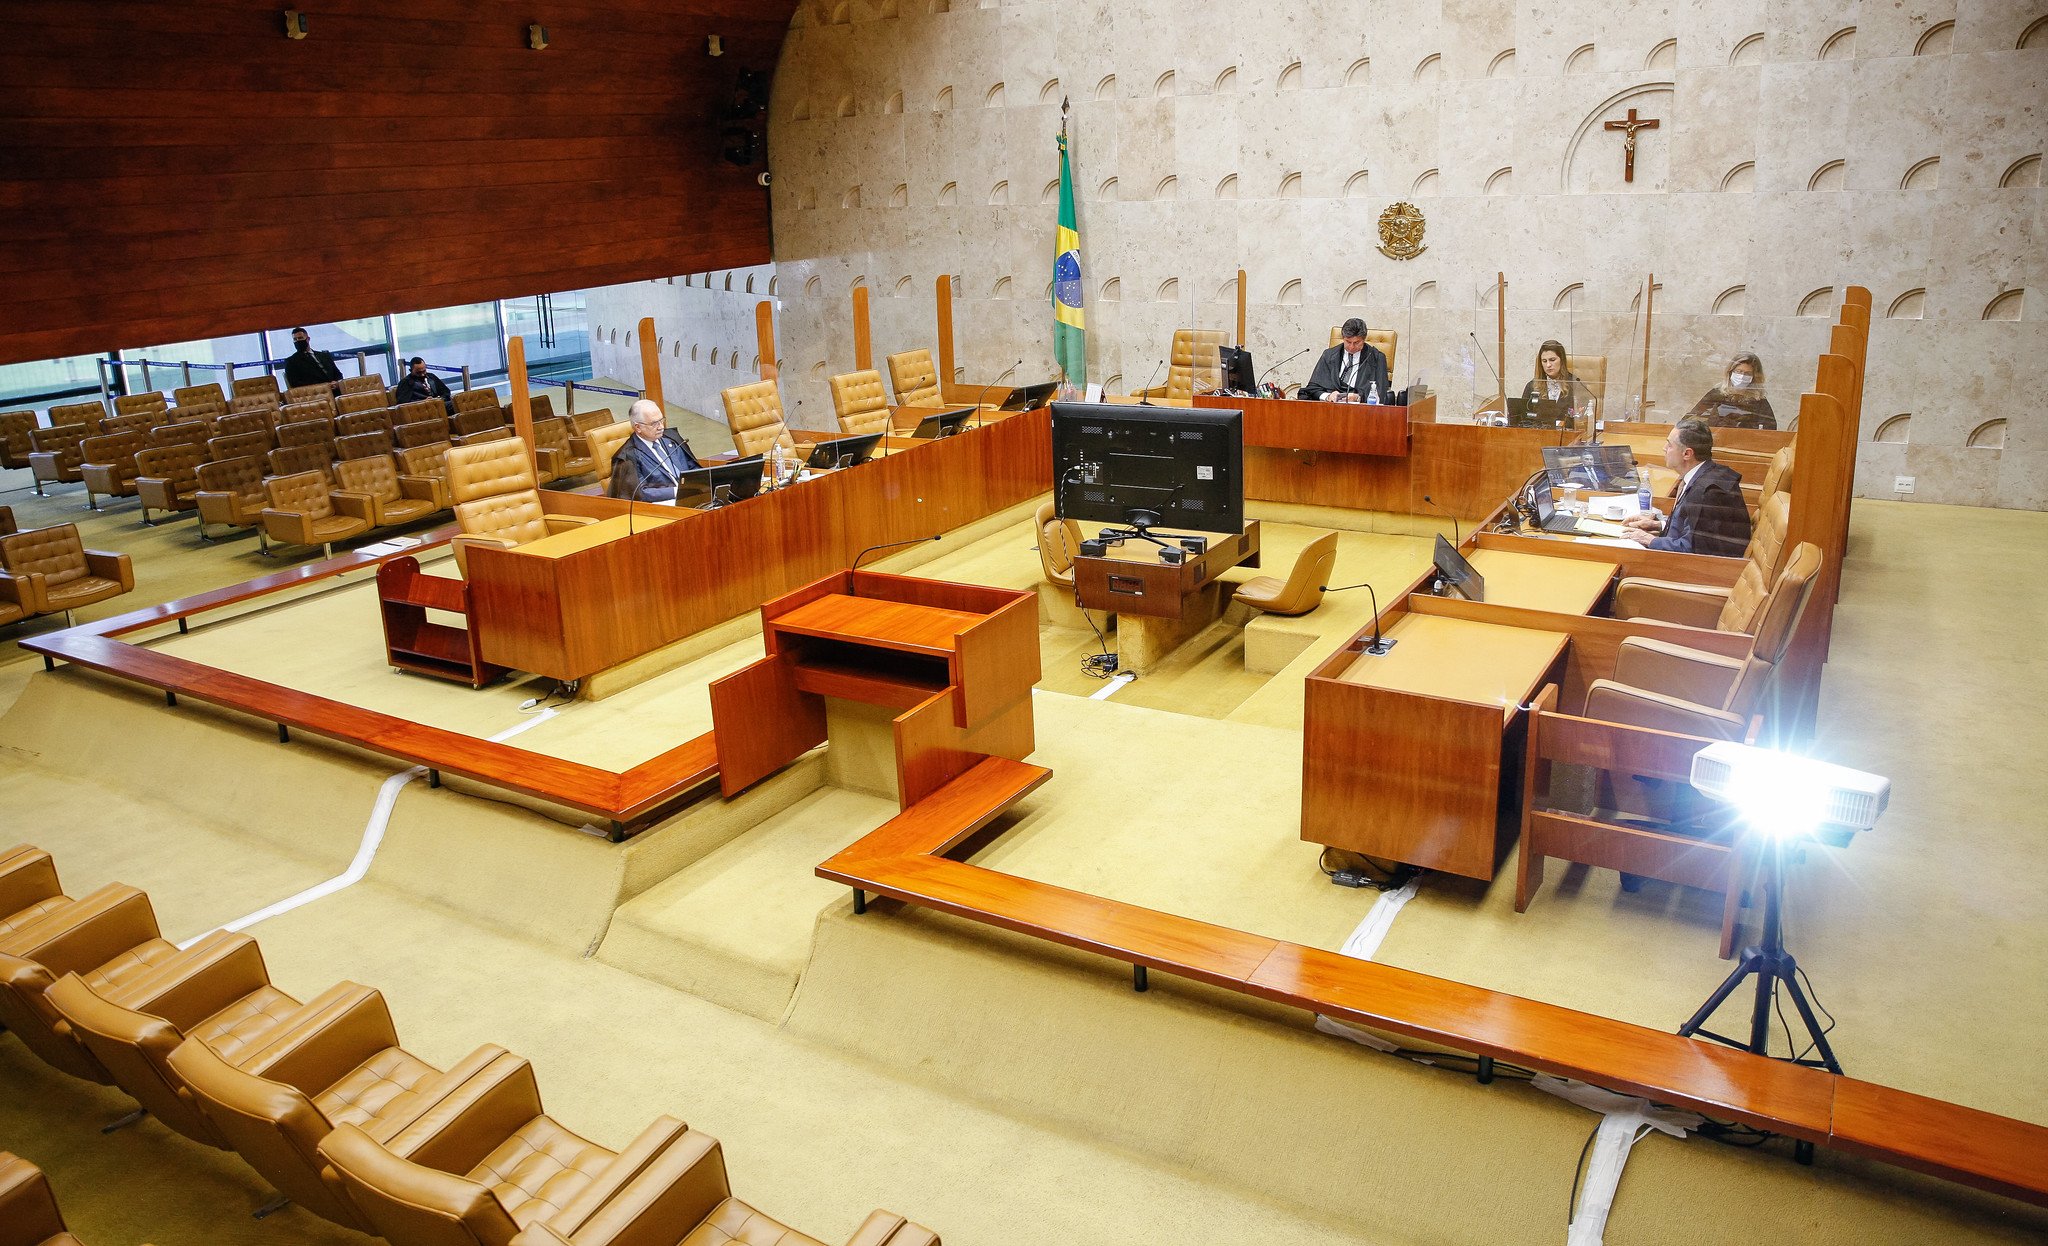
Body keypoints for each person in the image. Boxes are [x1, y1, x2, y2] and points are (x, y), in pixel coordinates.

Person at [1622, 419, 1751, 556]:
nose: (1664, 448)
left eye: (1670, 445)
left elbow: (1691, 550)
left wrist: (1650, 540)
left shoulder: (1707, 492)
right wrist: (1661, 525)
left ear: (1687, 454)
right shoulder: (1706, 474)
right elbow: (1695, 530)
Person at [607, 399, 703, 503]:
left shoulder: (671, 438)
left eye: (661, 420)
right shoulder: (627, 457)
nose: (661, 427)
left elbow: (693, 467)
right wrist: (677, 491)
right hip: (661, 507)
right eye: (654, 424)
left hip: (694, 497)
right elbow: (639, 493)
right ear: (638, 427)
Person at [1301, 317, 1392, 403]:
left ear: (1364, 340)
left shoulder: (1377, 358)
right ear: (1343, 338)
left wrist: (1358, 398)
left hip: (1361, 412)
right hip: (1330, 409)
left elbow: (1382, 394)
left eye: (1356, 342)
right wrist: (1328, 396)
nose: (1352, 347)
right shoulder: (1329, 355)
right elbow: (1312, 389)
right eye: (1348, 342)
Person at [1684, 352, 1777, 429]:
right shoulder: (1717, 393)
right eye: (1739, 371)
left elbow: (1770, 428)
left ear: (1754, 377)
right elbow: (1692, 418)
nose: (1742, 376)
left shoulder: (1759, 400)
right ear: (1730, 372)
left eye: (1747, 373)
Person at [1519, 340, 1591, 420]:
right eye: (1544, 361)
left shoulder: (1576, 385)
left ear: (1562, 360)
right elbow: (1522, 416)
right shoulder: (1532, 386)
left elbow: (1583, 417)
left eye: (1552, 360)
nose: (1548, 365)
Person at [281, 327, 343, 391]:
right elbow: (295, 384)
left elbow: (338, 374)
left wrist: (336, 383)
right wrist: (324, 386)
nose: (298, 341)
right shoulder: (291, 361)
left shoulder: (324, 355)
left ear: (308, 339)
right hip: (316, 394)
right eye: (295, 339)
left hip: (336, 390)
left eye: (300, 338)